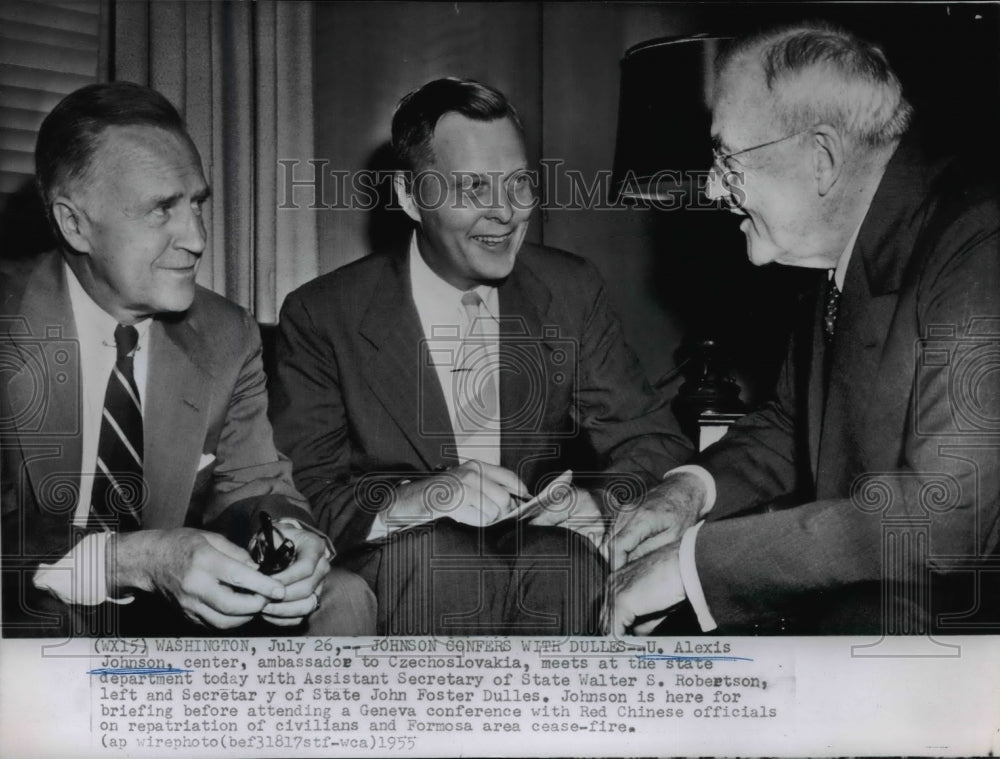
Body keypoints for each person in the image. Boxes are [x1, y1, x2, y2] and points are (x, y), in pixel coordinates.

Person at [605, 22, 1000, 635]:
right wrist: (689, 491)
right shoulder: (838, 241)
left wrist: (691, 569)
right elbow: (793, 424)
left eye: (726, 159)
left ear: (821, 160)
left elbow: (942, 516)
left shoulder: (979, 247)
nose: (712, 187)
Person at [270, 77, 694, 635]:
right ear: (409, 197)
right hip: (409, 568)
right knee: (446, 559)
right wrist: (416, 500)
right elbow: (302, 495)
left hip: (544, 558)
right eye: (472, 187)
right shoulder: (324, 313)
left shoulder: (570, 289)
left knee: (566, 564)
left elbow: (652, 441)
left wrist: (599, 503)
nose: (505, 212)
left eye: (519, 184)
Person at [0, 82, 376, 637]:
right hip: (26, 603)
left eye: (197, 203)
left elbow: (256, 487)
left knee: (339, 597)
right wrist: (127, 559)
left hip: (166, 618)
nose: (197, 239)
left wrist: (293, 535)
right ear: (74, 223)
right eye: (161, 210)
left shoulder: (226, 334)